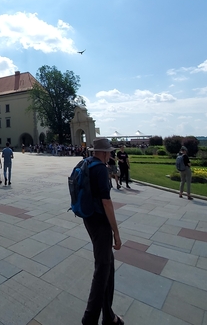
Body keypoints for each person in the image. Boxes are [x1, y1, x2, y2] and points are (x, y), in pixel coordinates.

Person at [81, 139, 123, 325]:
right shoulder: (100, 169)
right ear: (104, 153)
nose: (110, 155)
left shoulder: (85, 163)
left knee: (108, 267)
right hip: (100, 222)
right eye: (109, 153)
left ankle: (109, 315)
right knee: (102, 270)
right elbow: (107, 203)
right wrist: (116, 232)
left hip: (88, 218)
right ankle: (89, 319)